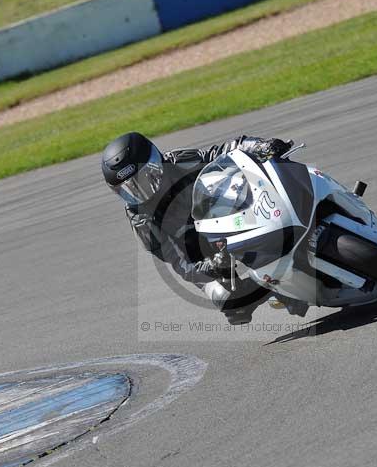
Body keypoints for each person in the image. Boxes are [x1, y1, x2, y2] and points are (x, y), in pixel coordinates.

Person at [101, 132, 295, 324]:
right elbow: (180, 264)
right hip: (200, 253)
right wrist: (213, 267)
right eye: (128, 189)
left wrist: (258, 146)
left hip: (226, 217)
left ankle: (288, 234)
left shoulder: (178, 162)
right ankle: (276, 289)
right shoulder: (141, 220)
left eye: (141, 180)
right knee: (229, 302)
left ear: (155, 163)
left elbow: (222, 152)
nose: (138, 192)